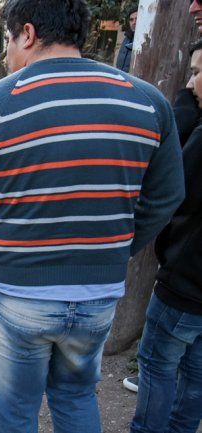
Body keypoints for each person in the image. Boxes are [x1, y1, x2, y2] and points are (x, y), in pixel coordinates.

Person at [0, 1, 185, 432]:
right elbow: (167, 196)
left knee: (13, 413)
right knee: (75, 397)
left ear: (28, 34)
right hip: (98, 296)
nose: (7, 55)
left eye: (8, 42)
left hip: (16, 294)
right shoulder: (147, 102)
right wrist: (118, 248)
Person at [128, 38, 202, 433]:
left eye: (196, 72)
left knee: (158, 367)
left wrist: (183, 114)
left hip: (185, 284)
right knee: (196, 376)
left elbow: (176, 189)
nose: (190, 83)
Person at [116, 8, 138, 73]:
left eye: (137, 19)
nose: (134, 22)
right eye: (131, 20)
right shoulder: (126, 38)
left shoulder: (144, 40)